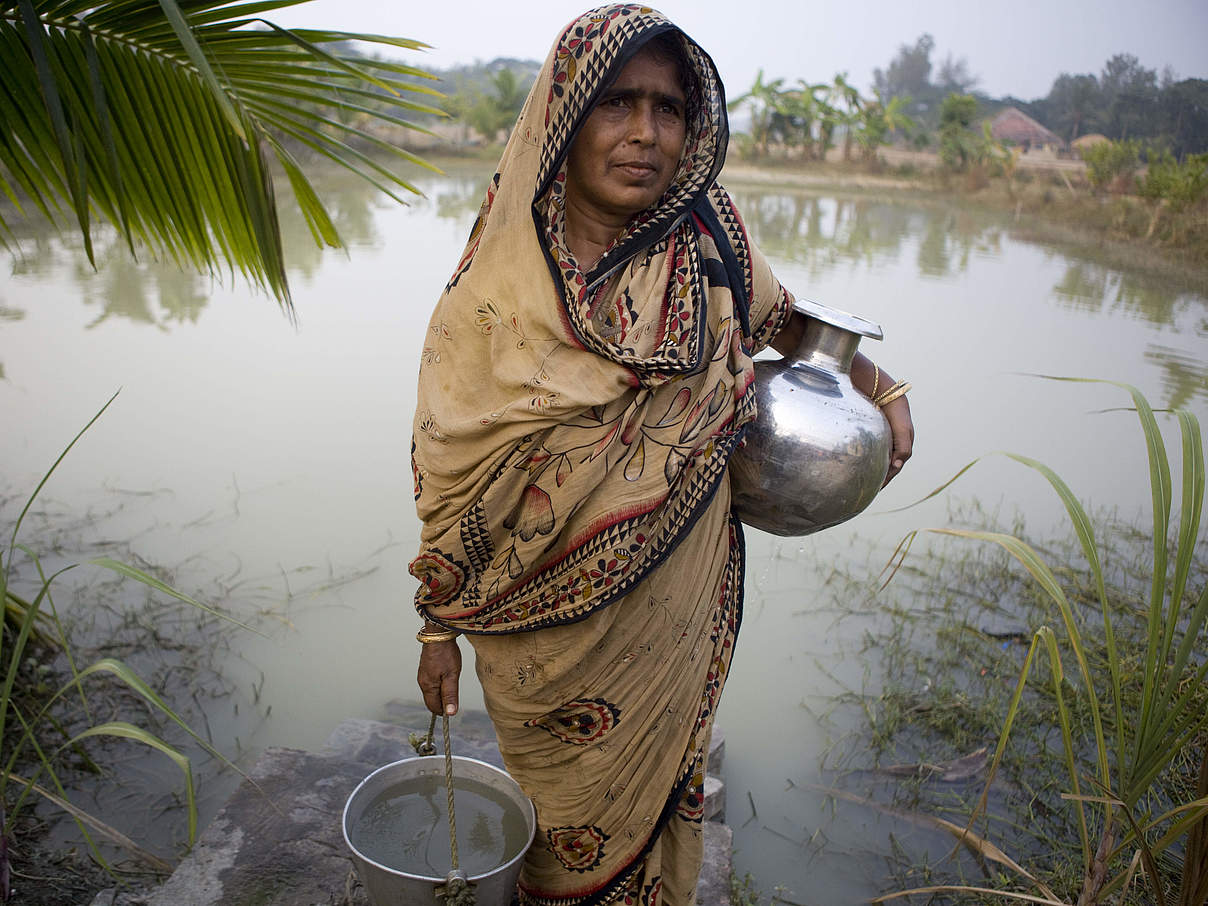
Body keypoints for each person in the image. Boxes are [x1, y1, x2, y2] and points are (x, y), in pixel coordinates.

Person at [409, 6, 914, 904]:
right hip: (534, 638)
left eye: (669, 108)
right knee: (556, 819)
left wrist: (881, 387)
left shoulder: (709, 236)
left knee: (650, 808)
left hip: (673, 607)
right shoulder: (491, 292)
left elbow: (785, 323)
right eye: (617, 103)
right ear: (564, 119)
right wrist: (436, 629)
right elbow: (448, 474)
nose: (646, 133)